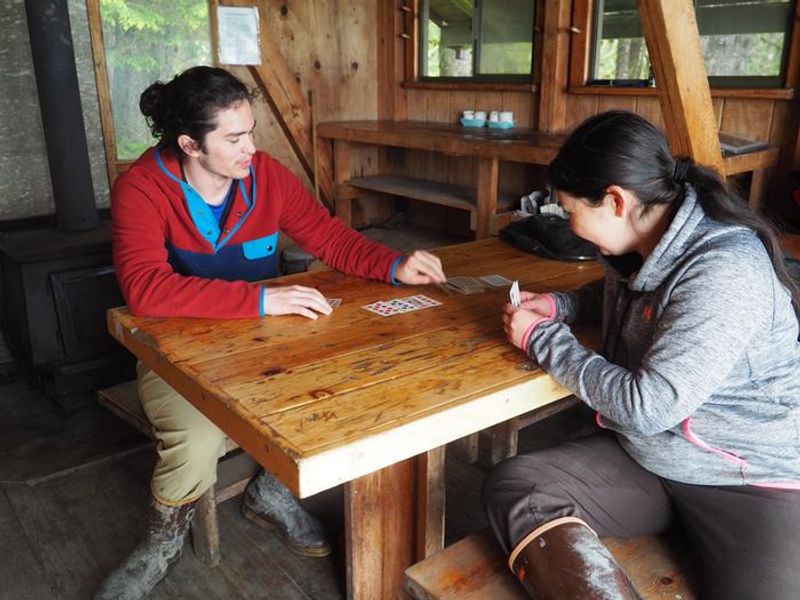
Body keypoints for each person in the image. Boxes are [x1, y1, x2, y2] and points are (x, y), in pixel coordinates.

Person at [95, 66, 446, 600]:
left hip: (266, 342)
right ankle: (160, 545)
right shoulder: (142, 188)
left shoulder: (267, 177)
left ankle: (271, 492)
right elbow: (145, 289)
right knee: (195, 439)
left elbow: (329, 237)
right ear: (190, 143)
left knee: (338, 391)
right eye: (234, 138)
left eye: (252, 131)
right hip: (175, 352)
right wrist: (262, 297)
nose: (251, 148)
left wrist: (395, 265)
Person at [484, 110, 800, 600]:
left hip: (750, 479)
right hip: (655, 458)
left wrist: (541, 340)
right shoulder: (642, 242)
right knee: (519, 488)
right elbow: (629, 294)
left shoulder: (725, 270)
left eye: (571, 211)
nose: (570, 224)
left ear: (615, 200)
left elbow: (647, 406)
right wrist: (559, 305)